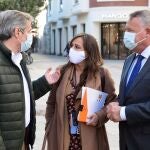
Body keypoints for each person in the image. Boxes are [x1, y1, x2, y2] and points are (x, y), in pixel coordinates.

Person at [42, 33, 116, 150]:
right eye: (71, 46)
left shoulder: (102, 74)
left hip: (89, 137)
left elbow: (111, 102)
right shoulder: (62, 71)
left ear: (89, 52)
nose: (72, 50)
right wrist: (50, 125)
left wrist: (99, 116)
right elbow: (51, 102)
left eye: (77, 47)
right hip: (62, 136)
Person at [0, 10, 60, 150]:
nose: (31, 36)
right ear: (17, 32)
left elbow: (19, 94)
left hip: (23, 139)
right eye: (29, 31)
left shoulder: (18, 59)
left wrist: (45, 82)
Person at [106, 10, 150, 150]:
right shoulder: (130, 59)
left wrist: (123, 112)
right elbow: (127, 95)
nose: (126, 35)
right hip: (126, 141)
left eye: (130, 31)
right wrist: (115, 104)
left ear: (147, 32)